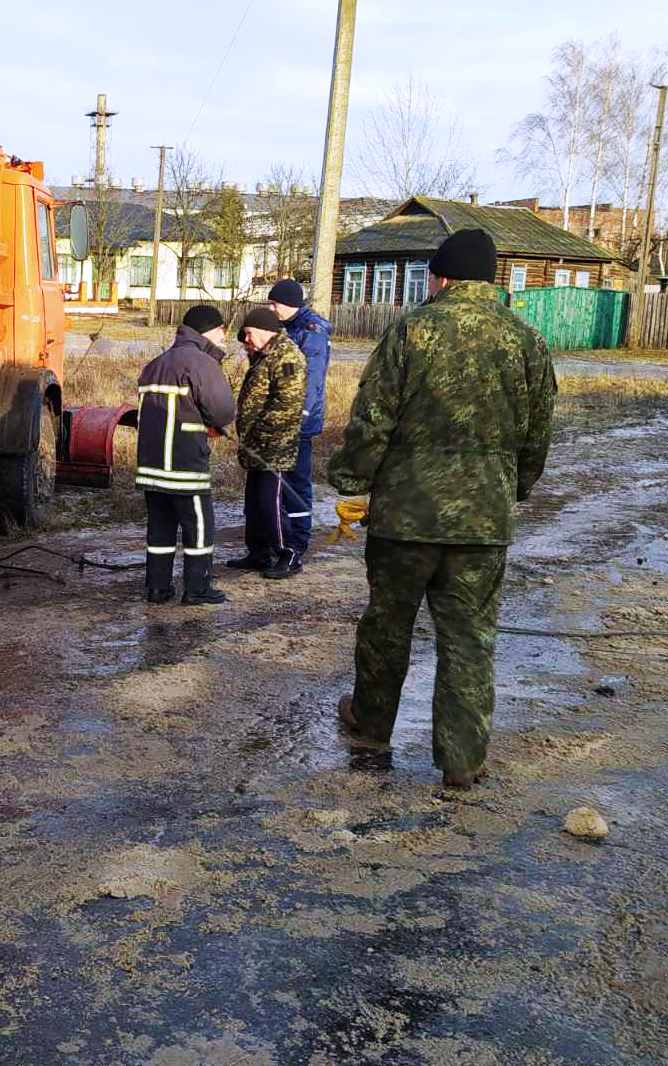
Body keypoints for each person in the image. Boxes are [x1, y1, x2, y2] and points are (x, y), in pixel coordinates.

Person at [328, 228, 557, 788]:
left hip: (406, 517)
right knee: (469, 640)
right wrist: (513, 487)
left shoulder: (413, 331)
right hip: (483, 522)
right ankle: (462, 760)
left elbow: (373, 416)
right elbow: (538, 432)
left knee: (388, 626)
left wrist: (352, 478)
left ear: (441, 276)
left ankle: (371, 728)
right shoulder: (525, 339)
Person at [136, 304, 237, 606]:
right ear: (209, 330)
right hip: (185, 466)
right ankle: (197, 589)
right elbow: (222, 411)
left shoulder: (155, 364)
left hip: (152, 468)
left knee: (160, 530)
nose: (225, 337)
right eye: (222, 330)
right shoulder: (201, 364)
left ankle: (157, 588)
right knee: (199, 527)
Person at [230, 306, 307, 581]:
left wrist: (258, 433)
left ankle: (288, 554)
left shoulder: (287, 357)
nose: (246, 341)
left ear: (264, 331)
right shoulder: (264, 355)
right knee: (254, 503)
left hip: (274, 447)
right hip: (257, 446)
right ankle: (258, 552)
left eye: (249, 334)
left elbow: (287, 404)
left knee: (269, 503)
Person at [267, 278, 333, 564]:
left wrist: (301, 415)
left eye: (275, 303)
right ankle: (279, 536)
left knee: (296, 481)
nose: (272, 308)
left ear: (290, 304)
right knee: (279, 480)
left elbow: (312, 379)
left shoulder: (311, 331)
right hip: (284, 417)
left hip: (301, 420)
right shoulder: (289, 328)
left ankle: (298, 540)